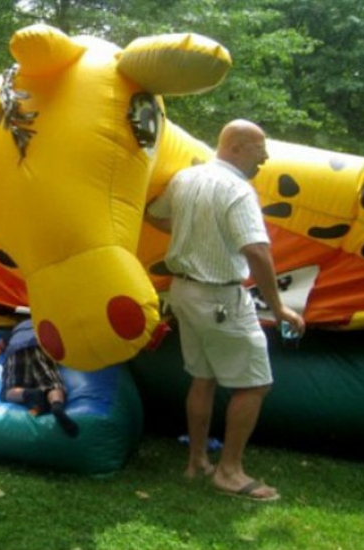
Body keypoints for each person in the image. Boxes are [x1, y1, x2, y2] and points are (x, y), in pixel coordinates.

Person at [145, 119, 305, 502]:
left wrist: (192, 230)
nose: (265, 157)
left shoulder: (187, 178)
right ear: (234, 147)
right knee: (254, 384)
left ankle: (197, 462)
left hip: (183, 291)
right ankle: (229, 472)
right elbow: (257, 250)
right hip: (219, 297)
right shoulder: (238, 189)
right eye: (258, 149)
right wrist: (280, 306)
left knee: (203, 378)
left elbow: (152, 213)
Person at [0, 319, 79, 437]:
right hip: (39, 347)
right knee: (53, 384)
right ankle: (57, 406)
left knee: (7, 391)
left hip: (16, 350)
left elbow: (1, 343)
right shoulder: (44, 321)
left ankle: (31, 394)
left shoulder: (16, 328)